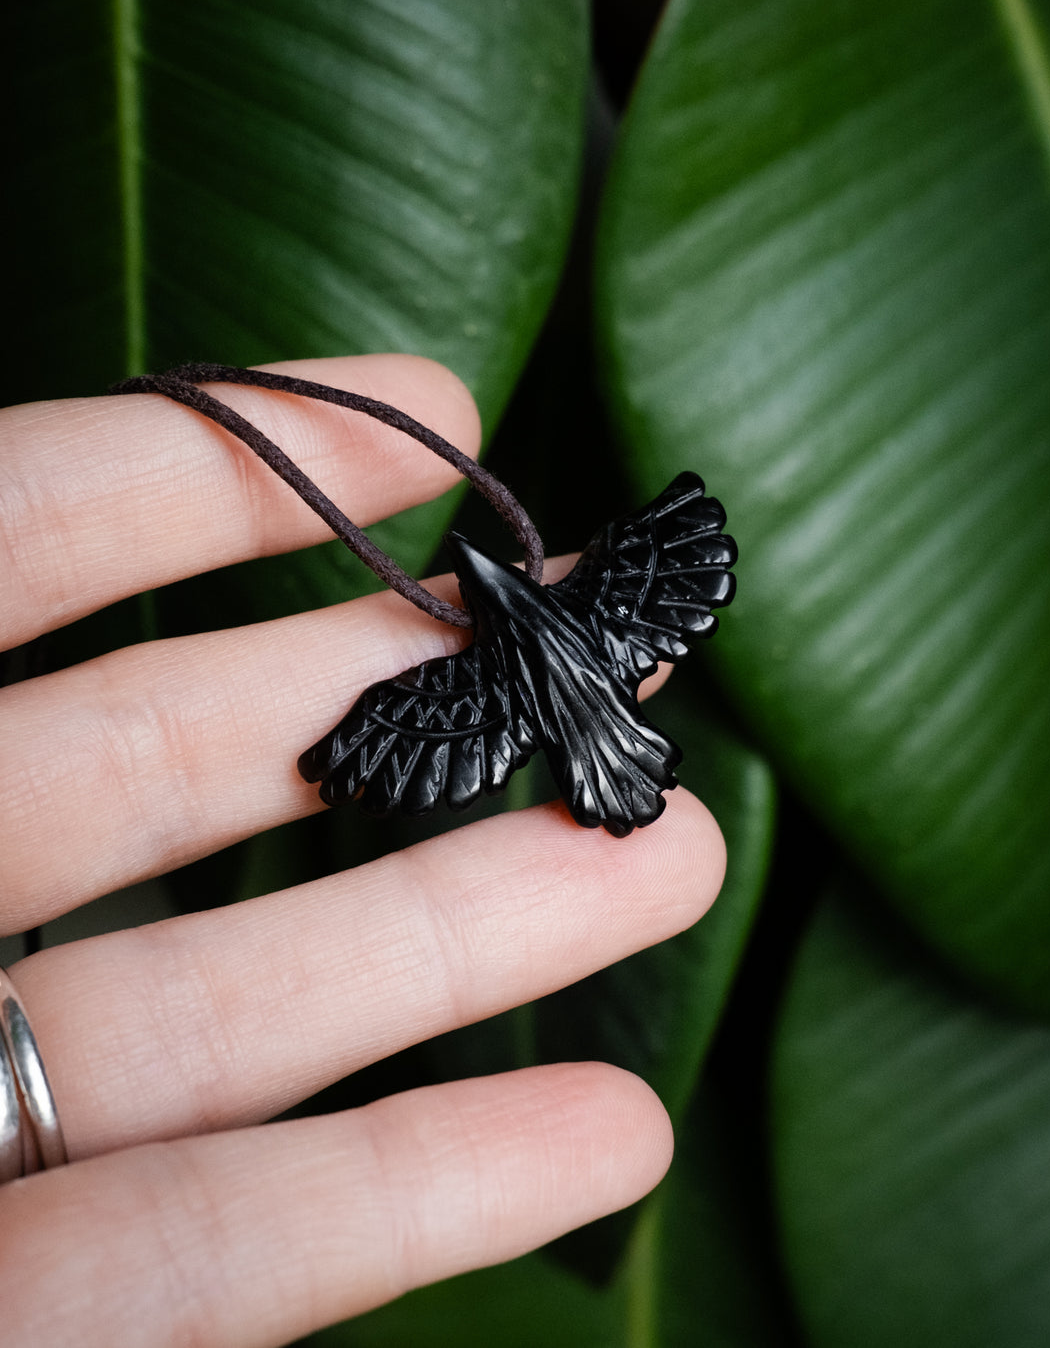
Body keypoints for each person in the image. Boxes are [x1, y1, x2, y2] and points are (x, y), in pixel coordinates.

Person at [0, 354, 726, 1346]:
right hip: (607, 735)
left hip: (600, 746)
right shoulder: (586, 607)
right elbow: (368, 751)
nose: (471, 569)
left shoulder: (488, 671)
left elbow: (685, 538)